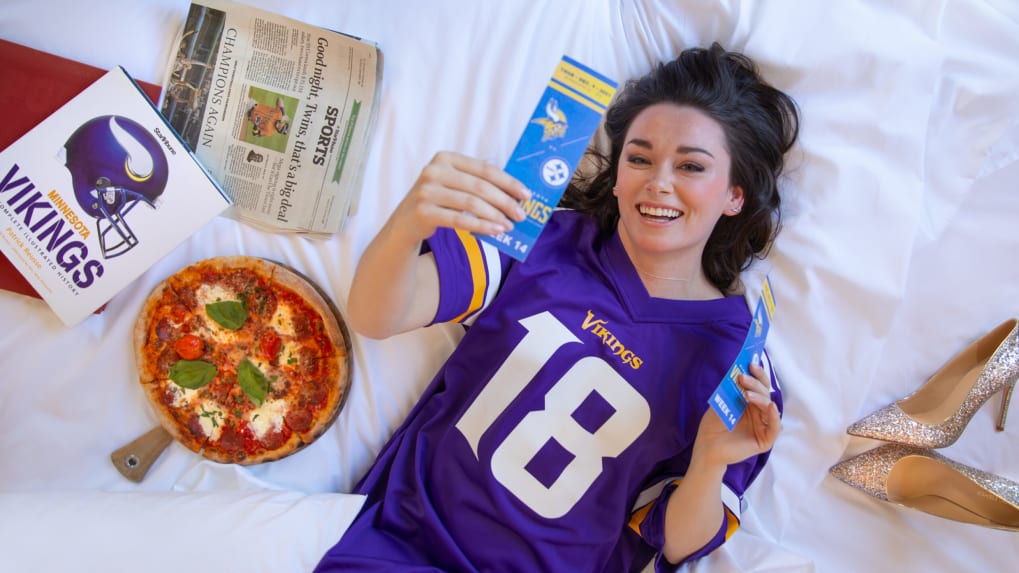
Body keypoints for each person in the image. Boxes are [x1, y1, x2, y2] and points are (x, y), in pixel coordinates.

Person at [315, 42, 800, 572]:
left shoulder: (737, 360)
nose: (658, 181)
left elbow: (679, 544)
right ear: (618, 177)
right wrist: (409, 224)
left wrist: (709, 460)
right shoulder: (543, 239)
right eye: (639, 158)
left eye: (691, 166)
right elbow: (374, 316)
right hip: (400, 549)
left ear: (734, 196)